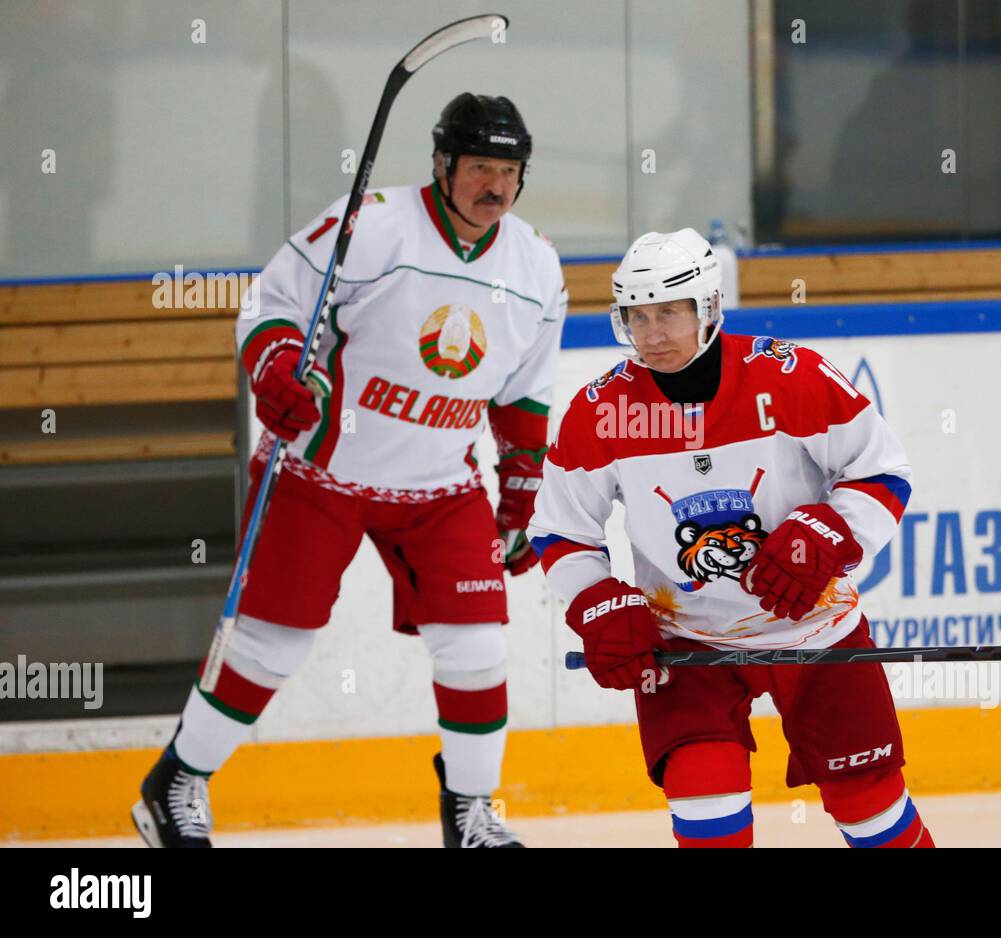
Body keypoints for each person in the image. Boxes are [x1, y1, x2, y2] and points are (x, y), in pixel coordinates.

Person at [132, 93, 567, 849]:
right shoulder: (368, 224)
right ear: (441, 165)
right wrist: (273, 369)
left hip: (439, 485)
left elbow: (524, 392)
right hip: (318, 473)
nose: (493, 186)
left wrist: (520, 492)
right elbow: (271, 304)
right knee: (273, 643)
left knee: (477, 647)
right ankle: (177, 781)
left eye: (508, 171)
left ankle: (470, 813)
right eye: (478, 168)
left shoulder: (536, 263)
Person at [527, 229, 933, 848]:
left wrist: (830, 529)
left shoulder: (789, 376)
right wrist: (596, 602)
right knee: (705, 802)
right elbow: (560, 530)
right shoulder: (600, 409)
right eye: (637, 316)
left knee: (870, 811)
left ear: (708, 309)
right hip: (686, 643)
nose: (652, 334)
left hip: (815, 628)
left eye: (668, 312)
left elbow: (882, 471)